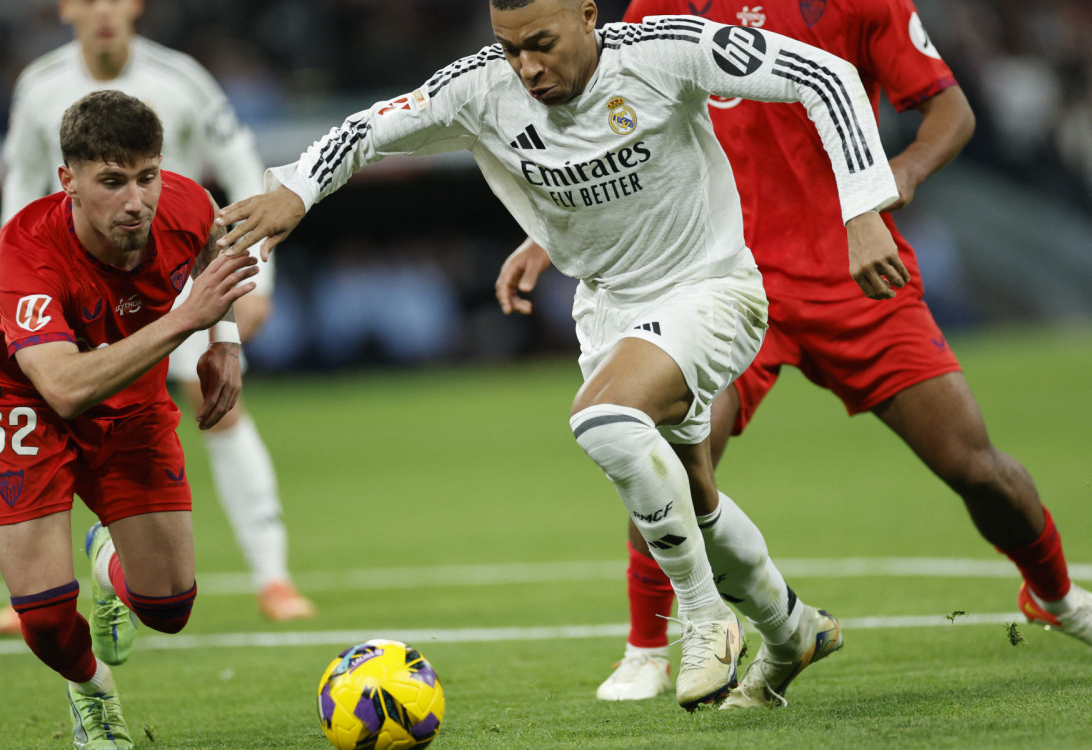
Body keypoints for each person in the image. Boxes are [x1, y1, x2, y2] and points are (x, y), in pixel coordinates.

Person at [216, 0, 907, 710]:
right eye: (510, 48)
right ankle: (792, 630)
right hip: (608, 310)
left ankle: (705, 619)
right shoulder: (481, 87)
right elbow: (366, 129)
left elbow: (824, 76)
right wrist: (297, 189)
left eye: (541, 44)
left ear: (586, 17)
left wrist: (862, 207)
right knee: (693, 497)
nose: (527, 67)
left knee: (604, 418)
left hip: (712, 289)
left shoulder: (663, 51)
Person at [495, 0, 1092, 710]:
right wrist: (556, 234)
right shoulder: (662, 8)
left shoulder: (860, 3)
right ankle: (648, 648)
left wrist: (894, 179)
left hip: (853, 268)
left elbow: (950, 110)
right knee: (668, 442)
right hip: (717, 277)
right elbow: (609, 125)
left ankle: (1055, 594)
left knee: (974, 465)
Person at [0, 90, 259, 748]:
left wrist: (223, 341)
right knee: (50, 619)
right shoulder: (23, 250)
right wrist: (187, 323)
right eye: (112, 182)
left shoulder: (185, 202)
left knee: (170, 608)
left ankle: (106, 559)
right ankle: (91, 691)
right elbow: (59, 387)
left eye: (147, 176)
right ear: (70, 181)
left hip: (128, 385)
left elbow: (211, 245)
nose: (137, 200)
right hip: (15, 389)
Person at [0, 0, 315, 634]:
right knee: (54, 421)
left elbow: (243, 165)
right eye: (88, 0)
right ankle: (41, 585)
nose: (103, 11)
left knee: (218, 405)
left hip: (177, 275)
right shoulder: (39, 87)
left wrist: (248, 282)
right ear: (66, 9)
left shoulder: (181, 79)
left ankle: (272, 576)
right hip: (74, 284)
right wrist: (15, 290)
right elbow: (19, 181)